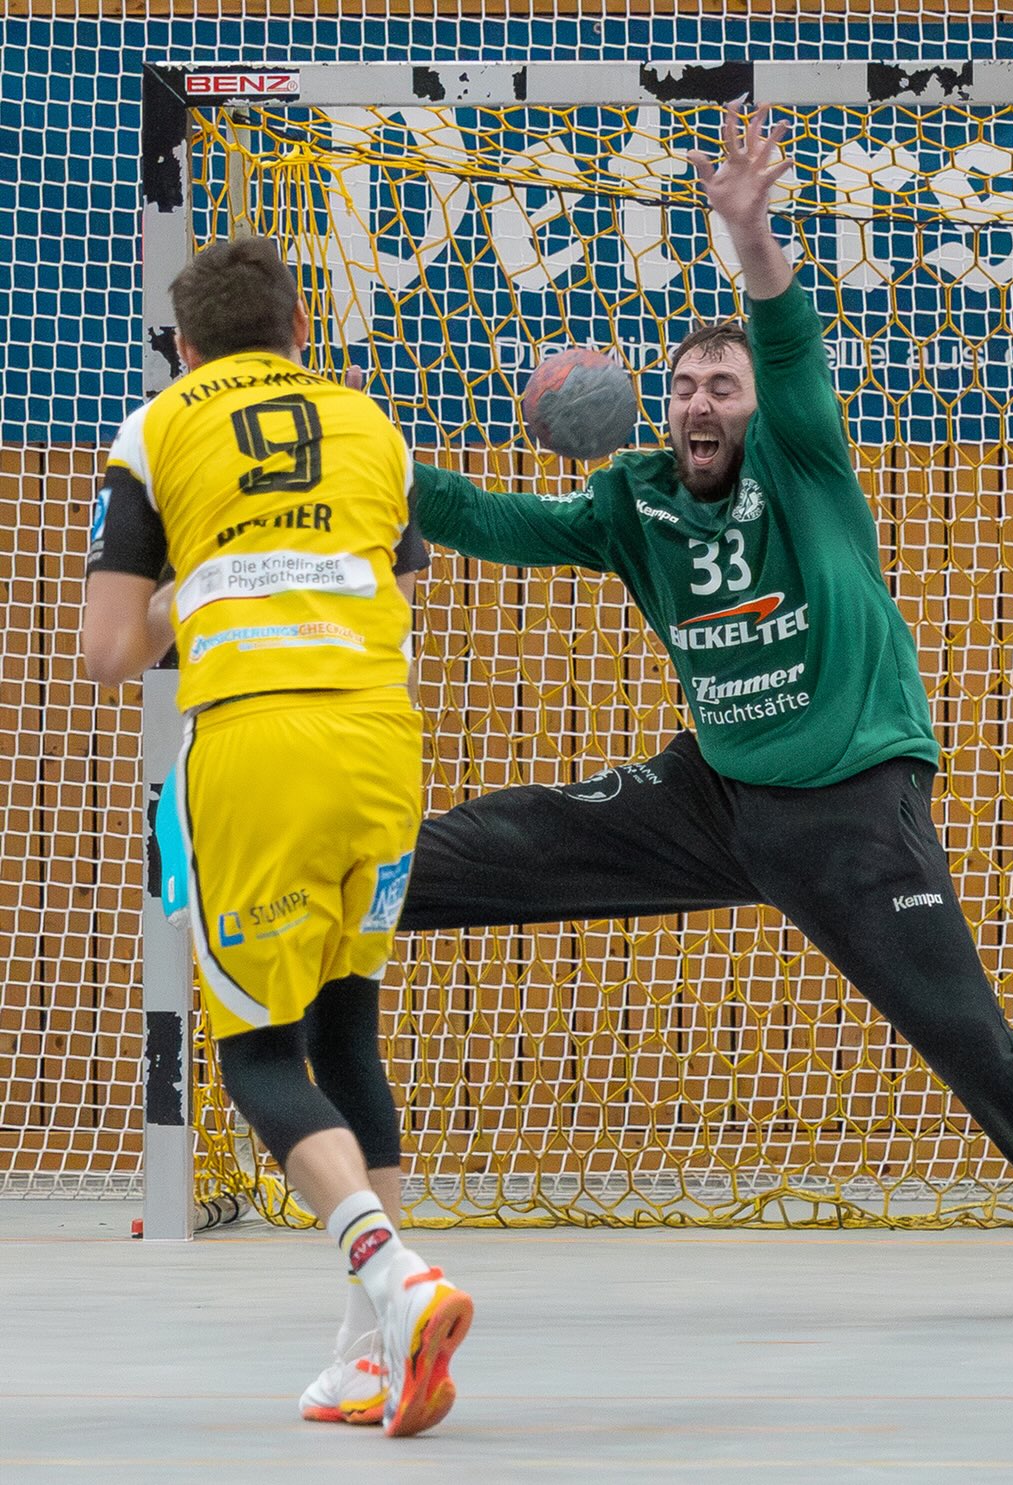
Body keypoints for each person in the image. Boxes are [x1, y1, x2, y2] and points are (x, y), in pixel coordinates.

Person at [398, 105, 1013, 1319]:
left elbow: (783, 336)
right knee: (490, 843)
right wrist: (360, 452)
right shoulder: (632, 501)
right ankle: (290, 889)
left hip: (851, 808)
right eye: (683, 388)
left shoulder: (803, 459)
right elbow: (485, 521)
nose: (700, 402)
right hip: (716, 796)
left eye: (721, 388)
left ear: (754, 407)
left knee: (965, 1037)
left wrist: (749, 230)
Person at [80, 235, 474, 1436]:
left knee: (257, 1053)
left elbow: (109, 653)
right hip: (382, 746)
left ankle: (395, 1275)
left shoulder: (157, 429)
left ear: (185, 345)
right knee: (349, 1027)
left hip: (257, 748)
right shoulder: (372, 426)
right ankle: (374, 1354)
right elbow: (398, 584)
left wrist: (199, 585)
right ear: (302, 331)